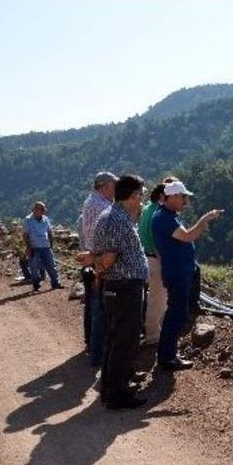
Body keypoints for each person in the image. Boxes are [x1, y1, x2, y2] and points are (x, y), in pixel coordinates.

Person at [87, 174, 148, 409]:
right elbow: (109, 258)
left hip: (121, 287)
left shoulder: (118, 216)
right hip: (123, 288)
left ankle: (111, 385)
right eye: (140, 194)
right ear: (132, 196)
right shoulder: (115, 219)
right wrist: (99, 272)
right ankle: (117, 394)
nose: (142, 198)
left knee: (116, 338)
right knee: (124, 340)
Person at [152, 181, 222, 371]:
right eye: (183, 197)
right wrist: (204, 220)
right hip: (177, 273)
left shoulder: (168, 216)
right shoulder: (164, 218)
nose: (185, 201)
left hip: (178, 271)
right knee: (176, 314)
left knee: (176, 313)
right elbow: (187, 236)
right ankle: (167, 357)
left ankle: (169, 353)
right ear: (173, 197)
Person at [78, 171, 117, 366]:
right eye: (114, 185)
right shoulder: (101, 205)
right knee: (99, 306)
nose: (116, 189)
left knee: (93, 304)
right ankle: (98, 351)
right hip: (99, 261)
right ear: (105, 186)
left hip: (92, 259)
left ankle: (91, 342)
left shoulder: (92, 201)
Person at [138, 177, 176, 345]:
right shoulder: (158, 213)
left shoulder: (146, 209)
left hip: (146, 257)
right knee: (158, 299)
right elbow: (156, 240)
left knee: (153, 297)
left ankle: (151, 330)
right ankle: (153, 335)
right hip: (156, 259)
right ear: (162, 196)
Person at [23, 202, 64, 292]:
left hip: (45, 246)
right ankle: (36, 284)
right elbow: (25, 235)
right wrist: (28, 247)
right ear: (35, 209)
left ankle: (55, 282)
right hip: (34, 246)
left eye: (43, 210)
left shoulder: (45, 219)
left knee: (51, 265)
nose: (43, 211)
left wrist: (51, 245)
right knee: (34, 266)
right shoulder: (28, 220)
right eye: (41, 209)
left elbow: (49, 232)